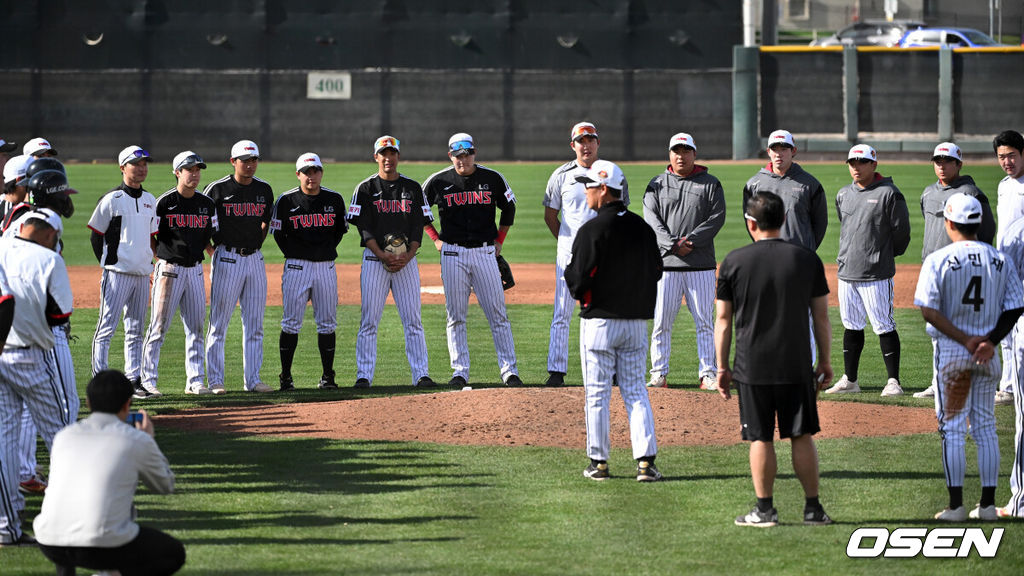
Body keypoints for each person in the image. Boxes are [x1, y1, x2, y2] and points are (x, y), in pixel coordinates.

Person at [715, 191, 833, 527]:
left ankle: (765, 510)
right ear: (782, 220)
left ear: (750, 223)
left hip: (752, 366)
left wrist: (721, 367)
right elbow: (821, 317)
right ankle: (813, 509)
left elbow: (723, 320)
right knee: (801, 435)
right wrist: (824, 361)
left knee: (761, 437)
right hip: (796, 363)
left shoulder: (734, 262)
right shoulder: (806, 259)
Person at [914, 193, 1024, 521]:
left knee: (952, 429)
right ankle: (988, 506)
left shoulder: (939, 259)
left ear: (949, 223)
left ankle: (956, 506)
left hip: (952, 354)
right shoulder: (1000, 260)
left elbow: (928, 310)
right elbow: (1015, 306)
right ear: (978, 223)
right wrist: (990, 341)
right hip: (988, 356)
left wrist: (965, 339)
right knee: (986, 427)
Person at [564, 160, 663, 482]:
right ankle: (645, 463)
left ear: (604, 189)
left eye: (590, 186)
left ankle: (599, 463)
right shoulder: (642, 228)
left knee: (597, 394)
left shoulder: (591, 230)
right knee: (635, 392)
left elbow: (577, 281)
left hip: (599, 325)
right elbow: (657, 271)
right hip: (635, 325)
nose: (586, 191)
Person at [33, 370, 186, 575]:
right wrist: (149, 440)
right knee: (173, 553)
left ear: (88, 402)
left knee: (68, 519)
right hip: (101, 544)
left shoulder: (64, 436)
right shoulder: (136, 439)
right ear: (127, 404)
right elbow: (165, 485)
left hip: (48, 539)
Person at [422, 133, 521, 387]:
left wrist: (500, 240)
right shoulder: (438, 181)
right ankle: (460, 372)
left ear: (474, 153)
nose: (462, 160)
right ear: (450, 156)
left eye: (466, 155)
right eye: (457, 156)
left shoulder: (492, 178)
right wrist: (435, 239)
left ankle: (509, 371)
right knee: (455, 315)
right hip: (452, 253)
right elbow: (420, 211)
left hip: (485, 253)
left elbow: (509, 207)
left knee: (497, 314)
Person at [0, 213, 75, 547]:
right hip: (33, 357)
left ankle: (6, 528)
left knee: (4, 441)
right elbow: (60, 315)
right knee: (62, 435)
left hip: (1, 355)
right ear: (49, 234)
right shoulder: (48, 259)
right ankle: (74, 517)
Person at [541, 122, 628, 387]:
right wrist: (567, 243)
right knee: (562, 311)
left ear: (598, 143)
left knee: (606, 312)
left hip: (604, 255)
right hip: (569, 255)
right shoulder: (561, 175)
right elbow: (550, 215)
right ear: (573, 145)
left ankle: (611, 370)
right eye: (581, 141)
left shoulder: (612, 173)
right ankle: (556, 371)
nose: (586, 145)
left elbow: (620, 213)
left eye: (591, 140)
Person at [347, 136, 433, 388]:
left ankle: (421, 374)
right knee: (369, 321)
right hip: (375, 261)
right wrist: (381, 254)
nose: (388, 158)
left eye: (392, 153)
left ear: (398, 156)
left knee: (413, 320)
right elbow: (363, 228)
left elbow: (418, 225)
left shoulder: (412, 188)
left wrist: (409, 254)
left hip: (407, 262)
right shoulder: (365, 189)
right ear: (376, 157)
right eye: (383, 154)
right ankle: (364, 376)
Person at [825, 144, 911, 397]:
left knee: (884, 325)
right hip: (847, 271)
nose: (856, 167)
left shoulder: (889, 193)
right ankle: (850, 380)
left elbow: (902, 234)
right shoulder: (843, 193)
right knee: (851, 325)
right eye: (852, 162)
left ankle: (893, 381)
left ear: (874, 164)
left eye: (862, 162)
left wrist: (882, 256)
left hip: (876, 273)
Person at [644, 132, 725, 390]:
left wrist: (690, 241)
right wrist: (672, 245)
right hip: (666, 265)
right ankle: (659, 374)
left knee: (704, 322)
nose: (681, 156)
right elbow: (651, 218)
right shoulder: (657, 183)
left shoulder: (710, 183)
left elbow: (717, 218)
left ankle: (708, 373)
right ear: (670, 154)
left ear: (694, 153)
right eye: (676, 151)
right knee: (661, 322)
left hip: (700, 265)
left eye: (685, 151)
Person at [915, 142, 996, 399]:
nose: (941, 166)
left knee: (965, 328)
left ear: (958, 164)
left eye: (947, 161)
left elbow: (986, 231)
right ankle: (938, 380)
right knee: (937, 330)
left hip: (962, 272)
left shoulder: (971, 193)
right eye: (937, 161)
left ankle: (973, 379)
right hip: (933, 271)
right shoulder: (928, 192)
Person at [140, 152, 217, 397]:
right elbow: (150, 236)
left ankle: (195, 381)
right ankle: (147, 380)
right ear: (177, 172)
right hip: (169, 269)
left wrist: (211, 254)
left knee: (196, 327)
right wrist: (158, 261)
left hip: (195, 270)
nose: (194, 174)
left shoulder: (206, 204)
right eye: (189, 170)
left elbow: (207, 237)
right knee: (158, 327)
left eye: (197, 170)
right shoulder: (163, 202)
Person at [271, 153, 347, 390]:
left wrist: (322, 250)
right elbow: (278, 234)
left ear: (321, 172)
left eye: (315, 171)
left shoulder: (334, 199)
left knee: (327, 323)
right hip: (296, 266)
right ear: (298, 174)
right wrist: (296, 252)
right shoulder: (286, 201)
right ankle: (285, 377)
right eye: (306, 172)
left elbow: (339, 231)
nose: (311, 176)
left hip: (325, 266)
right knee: (291, 323)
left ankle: (328, 377)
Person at [203, 140, 275, 394]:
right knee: (219, 323)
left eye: (254, 159)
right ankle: (215, 380)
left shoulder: (264, 189)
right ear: (233, 162)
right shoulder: (217, 189)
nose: (250, 164)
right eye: (245, 160)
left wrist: (256, 243)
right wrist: (213, 251)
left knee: (255, 323)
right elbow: (202, 222)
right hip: (227, 257)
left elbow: (266, 221)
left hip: (255, 260)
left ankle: (252, 380)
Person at [89, 146, 159, 398]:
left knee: (136, 330)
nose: (141, 168)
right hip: (116, 274)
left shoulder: (150, 200)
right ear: (122, 167)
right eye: (135, 164)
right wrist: (108, 263)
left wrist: (148, 265)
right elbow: (96, 236)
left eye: (144, 164)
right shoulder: (111, 199)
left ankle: (134, 380)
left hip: (141, 275)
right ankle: (100, 381)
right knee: (106, 328)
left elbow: (151, 237)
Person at [741, 129, 827, 252]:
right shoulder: (753, 184)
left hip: (800, 255)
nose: (778, 154)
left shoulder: (810, 184)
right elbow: (750, 221)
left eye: (784, 149)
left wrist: (807, 249)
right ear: (768, 152)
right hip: (767, 254)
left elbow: (820, 224)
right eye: (774, 149)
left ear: (793, 151)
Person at [994, 130, 1024, 407]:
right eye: (1002, 156)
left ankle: (1015, 386)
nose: (1007, 162)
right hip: (1005, 270)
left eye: (1012, 155)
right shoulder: (1004, 186)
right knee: (1005, 331)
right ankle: (1008, 386)